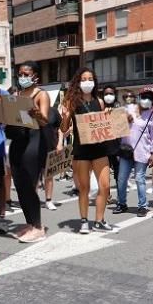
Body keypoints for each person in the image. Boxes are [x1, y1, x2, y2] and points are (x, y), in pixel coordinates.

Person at [58, 68, 114, 233]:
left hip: (99, 149)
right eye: (84, 79)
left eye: (90, 79)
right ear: (78, 82)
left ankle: (100, 220)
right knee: (84, 188)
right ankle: (84, 220)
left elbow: (106, 125)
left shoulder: (100, 102)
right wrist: (67, 115)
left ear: (95, 82)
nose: (87, 82)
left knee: (105, 186)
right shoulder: (72, 102)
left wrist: (109, 116)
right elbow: (63, 128)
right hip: (81, 150)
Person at [8, 61, 51, 242]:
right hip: (17, 142)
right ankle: (29, 224)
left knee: (30, 185)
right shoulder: (16, 94)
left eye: (26, 74)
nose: (22, 77)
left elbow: (45, 121)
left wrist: (37, 114)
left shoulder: (41, 95)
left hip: (34, 142)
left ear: (35, 76)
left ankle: (38, 226)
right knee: (19, 185)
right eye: (20, 74)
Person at [115, 87, 153, 217]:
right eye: (144, 96)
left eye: (150, 98)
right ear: (139, 97)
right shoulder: (128, 109)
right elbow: (117, 126)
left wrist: (152, 153)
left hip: (142, 152)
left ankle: (143, 206)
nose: (146, 100)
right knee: (122, 179)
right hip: (126, 150)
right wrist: (124, 119)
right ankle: (121, 203)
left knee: (140, 179)